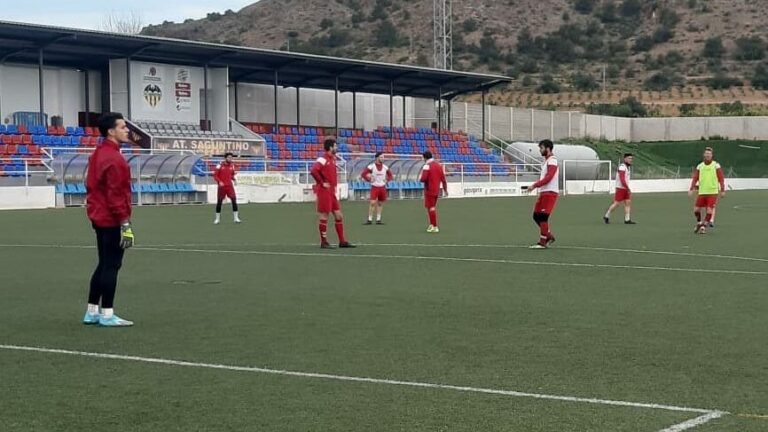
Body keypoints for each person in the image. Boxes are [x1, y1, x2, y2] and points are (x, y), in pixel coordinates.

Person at [83, 112, 135, 327]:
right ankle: (107, 313)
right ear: (111, 131)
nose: (127, 130)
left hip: (98, 216)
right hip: (111, 218)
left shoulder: (98, 154)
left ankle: (92, 311)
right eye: (123, 127)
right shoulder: (115, 159)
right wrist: (125, 223)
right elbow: (116, 195)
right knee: (112, 265)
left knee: (103, 263)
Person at [311, 138, 355, 248]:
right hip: (324, 192)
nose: (337, 148)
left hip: (332, 192)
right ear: (330, 147)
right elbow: (313, 171)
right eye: (335, 146)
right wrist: (322, 183)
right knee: (324, 216)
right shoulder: (322, 159)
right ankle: (324, 242)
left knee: (339, 215)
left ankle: (342, 241)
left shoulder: (333, 159)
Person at [526, 139, 559, 249]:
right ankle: (548, 236)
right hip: (544, 192)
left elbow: (549, 177)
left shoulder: (552, 160)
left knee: (543, 217)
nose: (540, 150)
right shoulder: (546, 161)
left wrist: (535, 185)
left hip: (550, 192)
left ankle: (542, 242)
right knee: (536, 216)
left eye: (541, 148)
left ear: (548, 149)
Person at [689, 147, 725, 234]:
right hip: (702, 192)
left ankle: (703, 227)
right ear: (704, 155)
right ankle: (699, 223)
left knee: (709, 210)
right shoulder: (700, 166)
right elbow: (695, 178)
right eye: (706, 153)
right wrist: (691, 188)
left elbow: (721, 178)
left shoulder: (716, 165)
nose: (708, 155)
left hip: (712, 192)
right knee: (696, 210)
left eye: (709, 154)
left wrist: (722, 190)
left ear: (712, 155)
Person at [603, 153, 637, 224]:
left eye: (631, 158)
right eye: (629, 158)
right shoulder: (622, 167)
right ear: (625, 159)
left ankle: (627, 219)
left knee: (628, 203)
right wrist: (627, 188)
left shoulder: (628, 167)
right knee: (616, 204)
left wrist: (627, 188)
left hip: (625, 188)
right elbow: (622, 179)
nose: (631, 160)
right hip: (620, 188)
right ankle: (607, 215)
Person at [419, 150, 448, 233]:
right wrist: (445, 189)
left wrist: (420, 179)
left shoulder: (426, 166)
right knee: (431, 207)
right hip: (436, 190)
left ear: (425, 157)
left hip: (429, 190)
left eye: (423, 158)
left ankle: (435, 226)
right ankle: (431, 224)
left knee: (431, 208)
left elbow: (423, 178)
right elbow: (443, 179)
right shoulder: (438, 165)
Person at [361, 152, 393, 225]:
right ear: (377, 158)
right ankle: (369, 219)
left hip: (382, 187)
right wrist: (369, 179)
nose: (383, 158)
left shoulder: (385, 167)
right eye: (381, 157)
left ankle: (378, 219)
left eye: (383, 157)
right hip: (374, 187)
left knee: (380, 203)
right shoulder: (371, 166)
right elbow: (363, 174)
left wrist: (387, 180)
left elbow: (390, 175)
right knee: (372, 203)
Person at [213, 152, 241, 225]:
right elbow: (215, 176)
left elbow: (231, 175)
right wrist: (219, 182)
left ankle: (236, 218)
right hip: (222, 187)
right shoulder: (219, 165)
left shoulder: (232, 166)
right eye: (229, 157)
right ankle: (217, 219)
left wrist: (234, 180)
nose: (230, 159)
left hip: (229, 186)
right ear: (225, 158)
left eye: (231, 158)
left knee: (234, 200)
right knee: (219, 202)